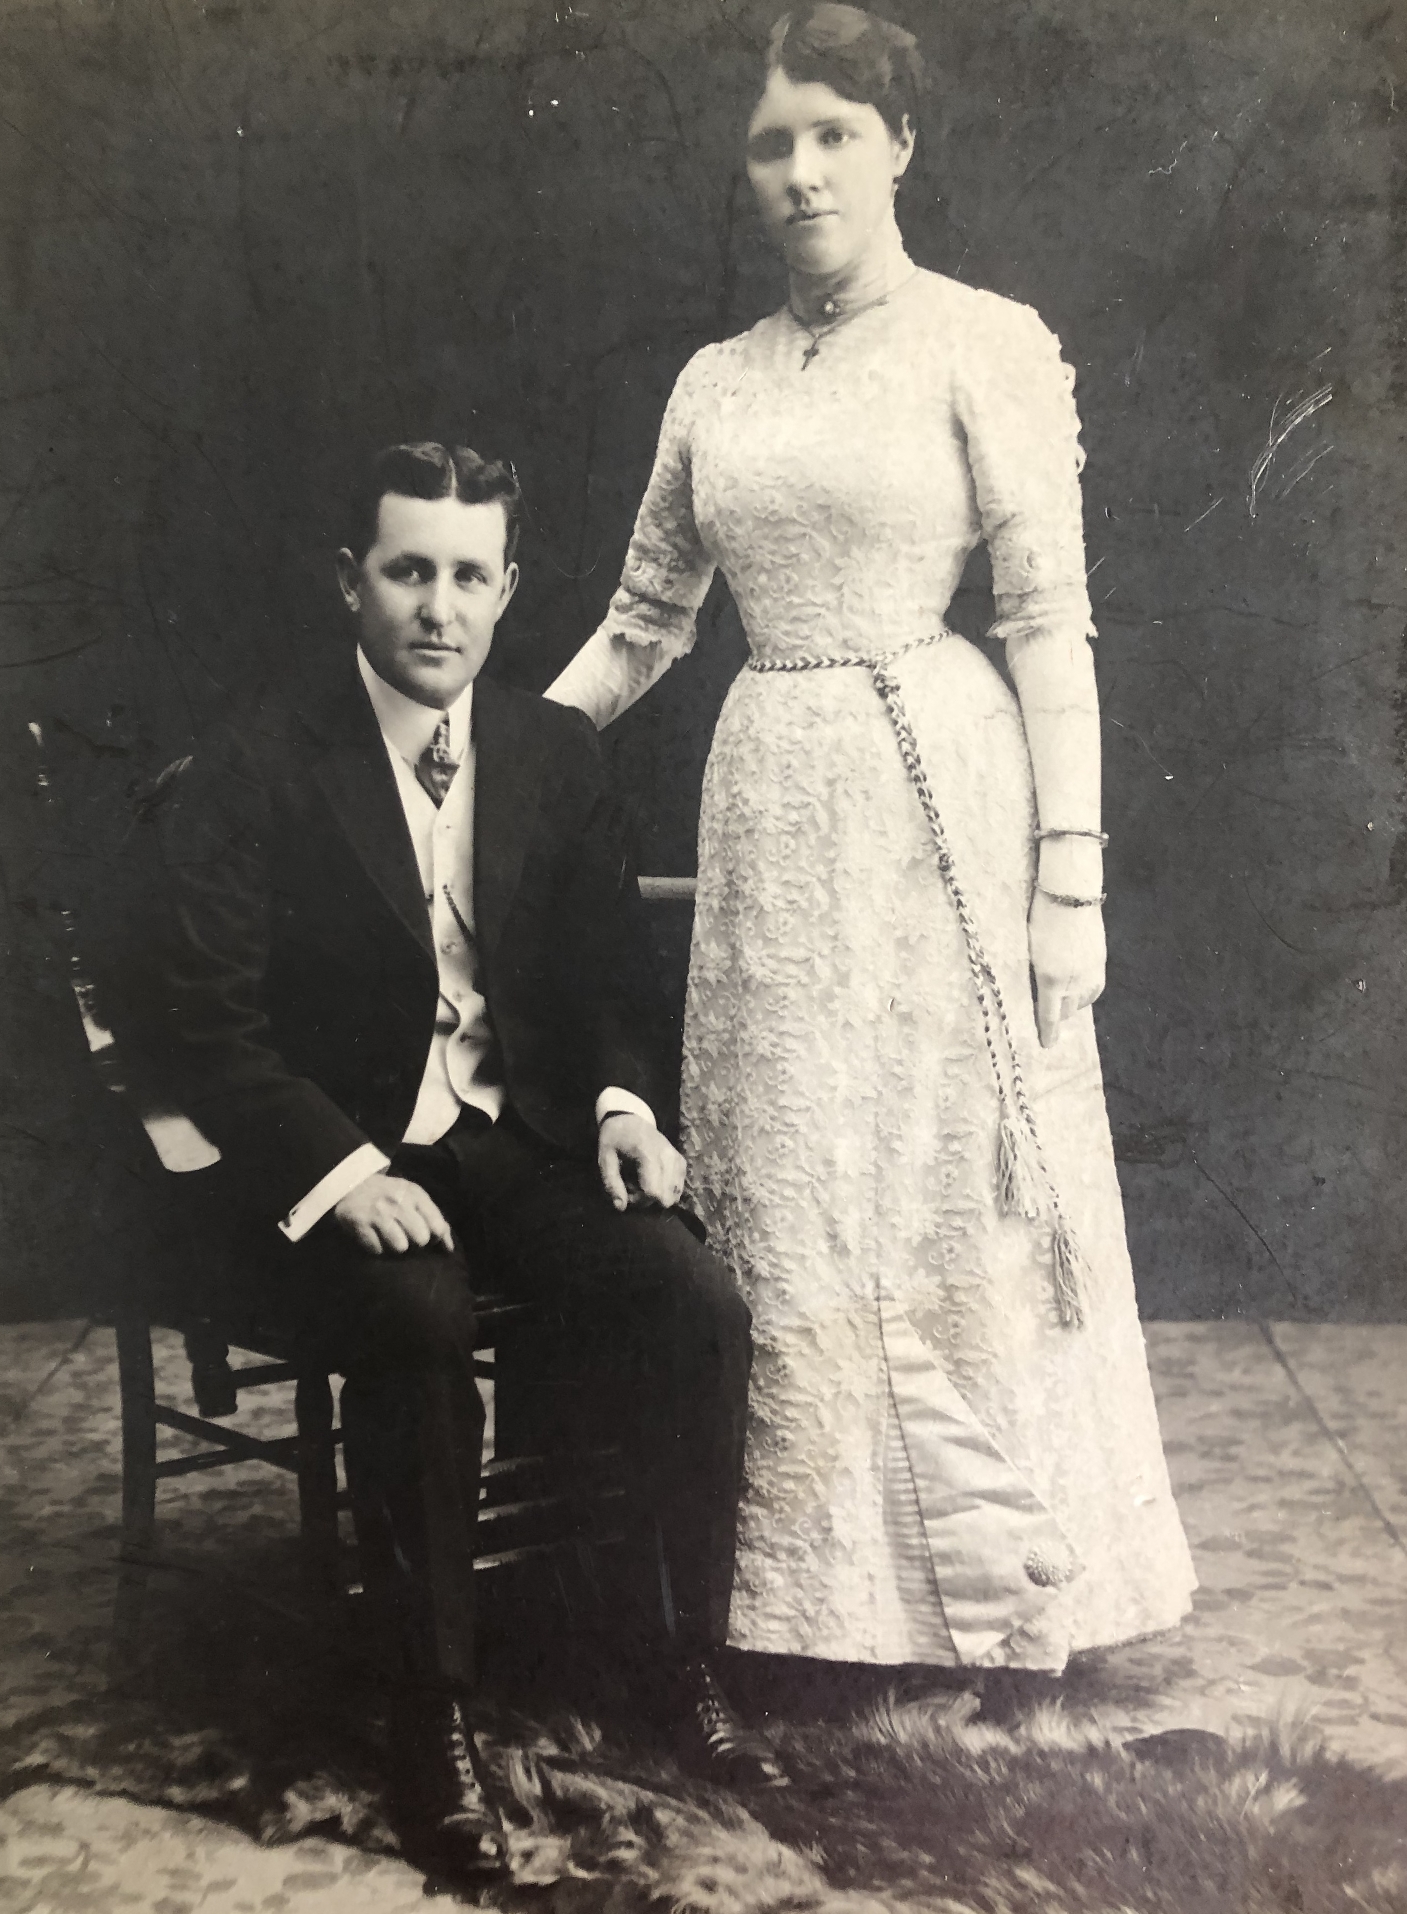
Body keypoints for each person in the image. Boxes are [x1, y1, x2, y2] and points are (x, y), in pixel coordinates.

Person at [546, 3, 1196, 1684]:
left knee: (948, 1191)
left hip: (945, 807)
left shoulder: (987, 341)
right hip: (775, 803)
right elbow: (642, 625)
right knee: (797, 1182)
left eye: (835, 131)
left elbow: (1052, 624)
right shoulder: (716, 383)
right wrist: (499, 750)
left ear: (901, 143)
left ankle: (1004, 1591)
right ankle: (814, 1609)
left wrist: (1075, 881)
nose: (802, 169)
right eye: (773, 142)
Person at [143, 440, 788, 1885]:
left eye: (468, 575)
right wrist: (336, 1171)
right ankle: (426, 1710)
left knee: (696, 1306)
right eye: (408, 570)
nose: (439, 606)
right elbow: (204, 1021)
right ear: (351, 582)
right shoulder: (262, 756)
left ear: (509, 590)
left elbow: (613, 975)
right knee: (424, 1320)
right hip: (320, 1155)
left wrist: (624, 1104)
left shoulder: (552, 751)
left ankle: (669, 1656)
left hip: (502, 1136)